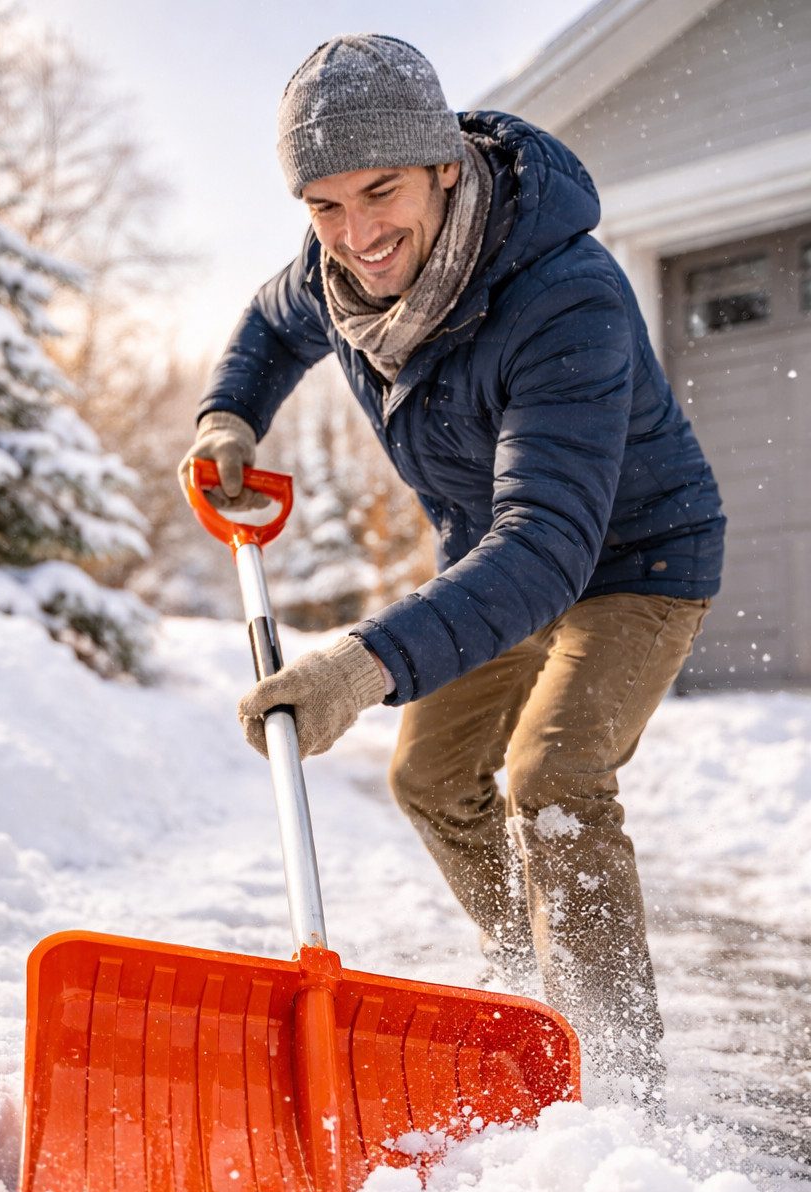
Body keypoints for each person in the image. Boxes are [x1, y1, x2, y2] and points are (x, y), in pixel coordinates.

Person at [179, 34, 724, 1110]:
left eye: (380, 192)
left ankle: (614, 1070)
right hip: (494, 558)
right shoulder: (333, 278)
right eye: (324, 206)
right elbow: (271, 324)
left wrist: (360, 666)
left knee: (554, 774)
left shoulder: (565, 294)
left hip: (633, 559)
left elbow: (549, 542)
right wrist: (227, 416)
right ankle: (531, 979)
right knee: (428, 778)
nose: (357, 234)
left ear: (442, 164)